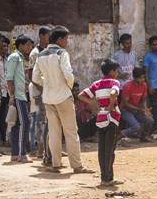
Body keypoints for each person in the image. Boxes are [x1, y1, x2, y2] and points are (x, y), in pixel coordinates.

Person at [32, 26, 93, 174]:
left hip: (48, 97)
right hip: (63, 96)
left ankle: (55, 164)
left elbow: (34, 78)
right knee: (71, 132)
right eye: (66, 39)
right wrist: (68, 85)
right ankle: (77, 166)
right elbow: (68, 74)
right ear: (59, 39)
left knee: (54, 132)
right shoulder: (62, 53)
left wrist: (47, 82)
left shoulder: (40, 55)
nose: (67, 42)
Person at [79, 59, 123, 187]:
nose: (117, 73)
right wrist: (111, 104)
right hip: (111, 118)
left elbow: (82, 95)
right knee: (110, 149)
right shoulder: (114, 82)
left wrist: (94, 103)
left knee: (102, 148)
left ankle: (107, 177)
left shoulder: (96, 84)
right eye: (116, 70)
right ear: (112, 71)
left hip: (100, 118)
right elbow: (114, 92)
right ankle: (106, 178)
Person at [6, 34, 34, 163]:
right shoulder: (15, 57)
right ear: (20, 45)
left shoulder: (21, 58)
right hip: (18, 96)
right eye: (28, 45)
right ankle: (22, 153)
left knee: (17, 125)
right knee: (25, 123)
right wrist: (11, 96)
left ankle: (15, 153)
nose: (30, 47)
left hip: (21, 95)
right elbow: (10, 78)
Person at [29, 26, 51, 161]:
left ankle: (48, 149)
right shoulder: (35, 53)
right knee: (39, 121)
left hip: (46, 90)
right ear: (42, 36)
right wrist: (41, 88)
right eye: (48, 35)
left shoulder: (47, 51)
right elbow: (31, 75)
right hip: (39, 91)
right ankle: (39, 150)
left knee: (47, 120)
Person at [120, 68, 154, 143]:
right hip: (126, 110)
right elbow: (126, 103)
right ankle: (119, 137)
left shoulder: (144, 85)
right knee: (136, 126)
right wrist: (140, 109)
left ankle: (143, 137)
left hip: (137, 109)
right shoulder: (127, 86)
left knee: (150, 120)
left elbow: (144, 99)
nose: (143, 79)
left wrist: (145, 108)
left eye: (144, 77)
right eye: (140, 78)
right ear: (135, 78)